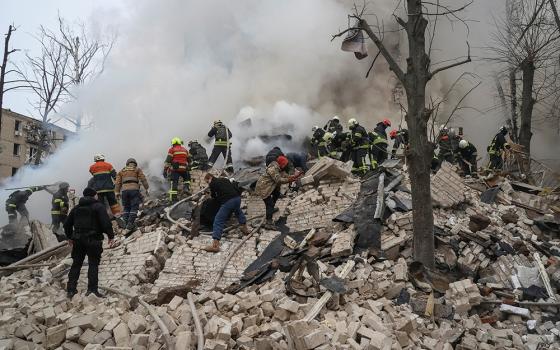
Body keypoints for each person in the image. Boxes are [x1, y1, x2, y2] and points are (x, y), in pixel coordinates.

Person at [64, 187, 115, 298]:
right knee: (93, 264)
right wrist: (111, 236)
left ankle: (71, 290)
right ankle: (92, 290)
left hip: (77, 240)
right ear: (94, 195)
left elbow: (67, 224)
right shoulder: (98, 207)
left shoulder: (76, 208)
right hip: (94, 240)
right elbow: (106, 223)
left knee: (76, 264)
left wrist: (69, 237)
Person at [202, 173, 249, 253]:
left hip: (228, 201)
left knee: (218, 220)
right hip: (237, 198)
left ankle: (215, 246)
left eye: (207, 181)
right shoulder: (224, 179)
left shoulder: (213, 183)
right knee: (238, 211)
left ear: (210, 178)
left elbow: (214, 197)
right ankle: (245, 229)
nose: (208, 183)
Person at [255, 155, 300, 229]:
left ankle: (271, 209)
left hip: (270, 186)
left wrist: (291, 177)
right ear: (282, 164)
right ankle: (269, 223)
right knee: (269, 204)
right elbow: (279, 180)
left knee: (276, 194)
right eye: (285, 165)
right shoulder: (273, 169)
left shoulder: (278, 167)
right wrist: (289, 180)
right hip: (263, 188)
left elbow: (283, 174)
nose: (286, 166)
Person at [115, 158, 149, 232]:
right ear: (135, 163)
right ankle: (130, 224)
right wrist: (147, 188)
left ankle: (125, 223)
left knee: (126, 207)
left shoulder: (121, 171)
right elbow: (143, 179)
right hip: (134, 190)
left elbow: (117, 183)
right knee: (134, 207)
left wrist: (117, 192)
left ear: (127, 164)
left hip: (124, 191)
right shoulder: (137, 169)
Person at [164, 137, 190, 202]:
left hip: (175, 170)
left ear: (173, 143)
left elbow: (168, 161)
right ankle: (186, 187)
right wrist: (189, 167)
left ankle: (173, 199)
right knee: (187, 179)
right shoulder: (185, 150)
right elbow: (190, 160)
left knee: (174, 183)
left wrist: (165, 170)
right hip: (184, 169)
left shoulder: (172, 150)